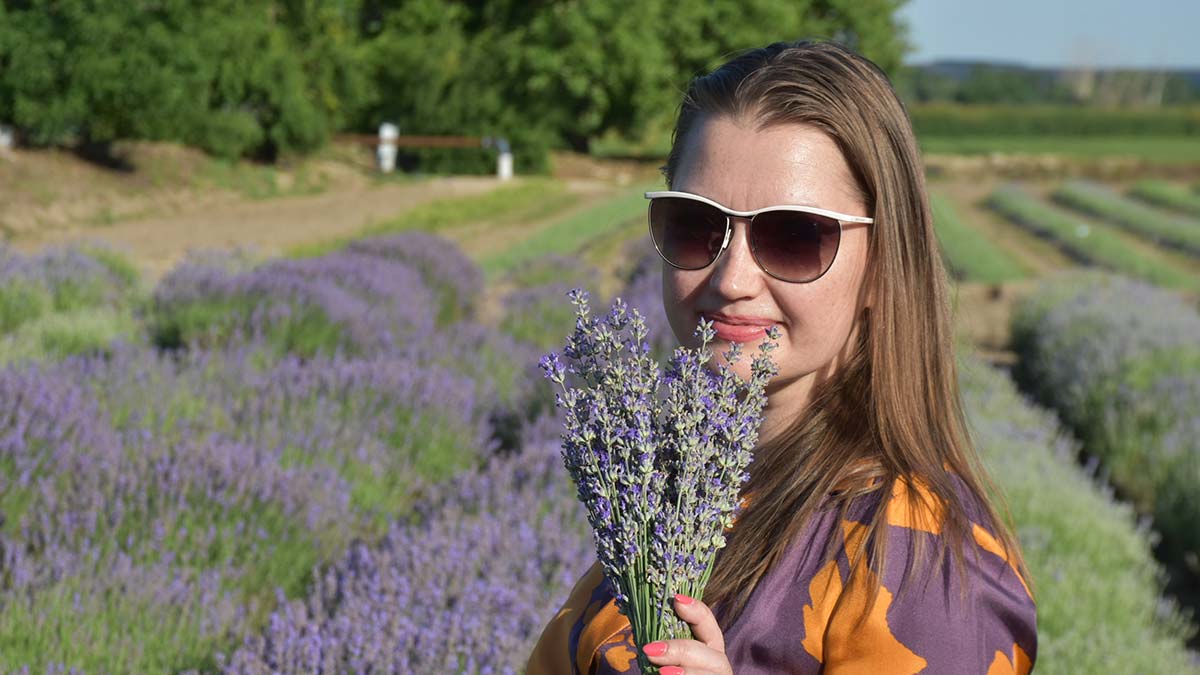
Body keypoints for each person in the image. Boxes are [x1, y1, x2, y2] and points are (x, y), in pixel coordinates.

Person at [527, 40, 1036, 675]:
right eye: (696, 223)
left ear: (883, 267)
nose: (732, 277)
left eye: (794, 235)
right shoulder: (667, 505)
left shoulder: (917, 564)